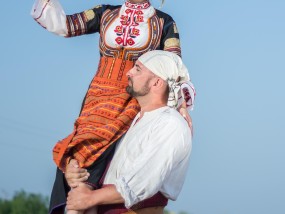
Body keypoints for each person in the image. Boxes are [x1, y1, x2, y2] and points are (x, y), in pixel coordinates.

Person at [31, 0, 195, 213]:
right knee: (81, 158)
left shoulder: (164, 22)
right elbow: (66, 25)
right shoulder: (105, 12)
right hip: (97, 98)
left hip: (130, 102)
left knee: (98, 168)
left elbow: (172, 65)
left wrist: (180, 105)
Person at [65, 50, 193, 214]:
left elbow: (142, 182)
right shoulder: (132, 119)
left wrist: (90, 198)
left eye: (138, 69)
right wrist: (73, 170)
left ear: (157, 83)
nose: (129, 72)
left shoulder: (170, 124)